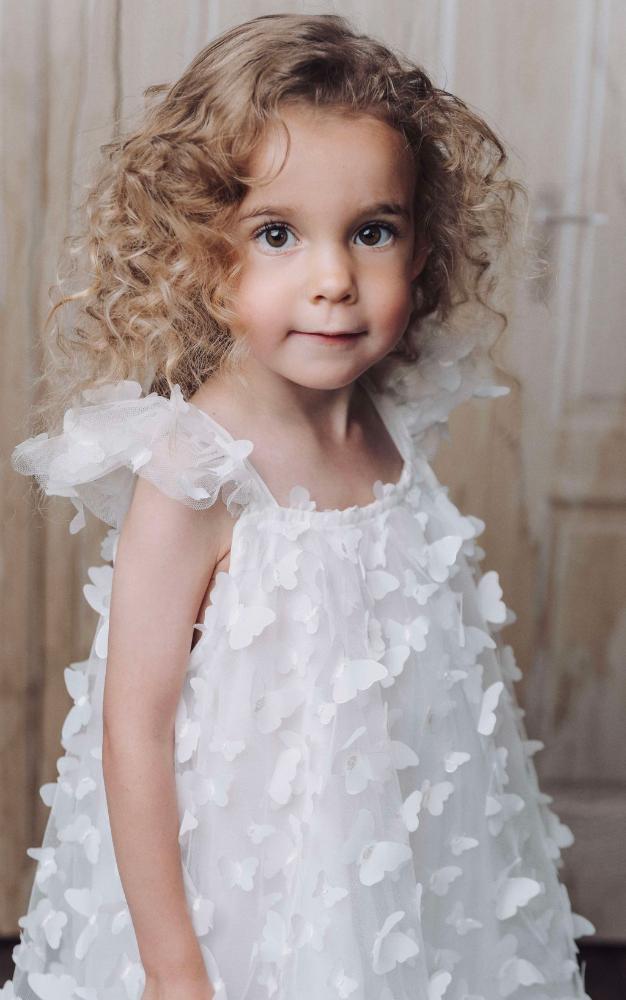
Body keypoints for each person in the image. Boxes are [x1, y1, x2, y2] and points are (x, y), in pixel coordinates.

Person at [4, 13, 595, 1000]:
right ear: (204, 252)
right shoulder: (197, 470)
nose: (333, 282)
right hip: (254, 888)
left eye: (371, 232)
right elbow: (134, 730)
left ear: (420, 247)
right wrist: (174, 968)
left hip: (398, 858)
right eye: (276, 234)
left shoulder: (393, 424)